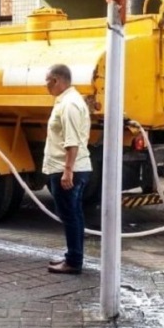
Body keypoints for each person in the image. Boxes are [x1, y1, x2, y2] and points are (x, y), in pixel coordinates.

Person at [43, 64, 92, 274]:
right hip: (74, 167)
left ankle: (73, 262)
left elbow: (72, 141)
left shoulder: (69, 105)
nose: (45, 86)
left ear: (56, 80)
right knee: (75, 214)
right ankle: (73, 256)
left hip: (68, 168)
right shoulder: (69, 101)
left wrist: (67, 170)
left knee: (70, 215)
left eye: (47, 81)